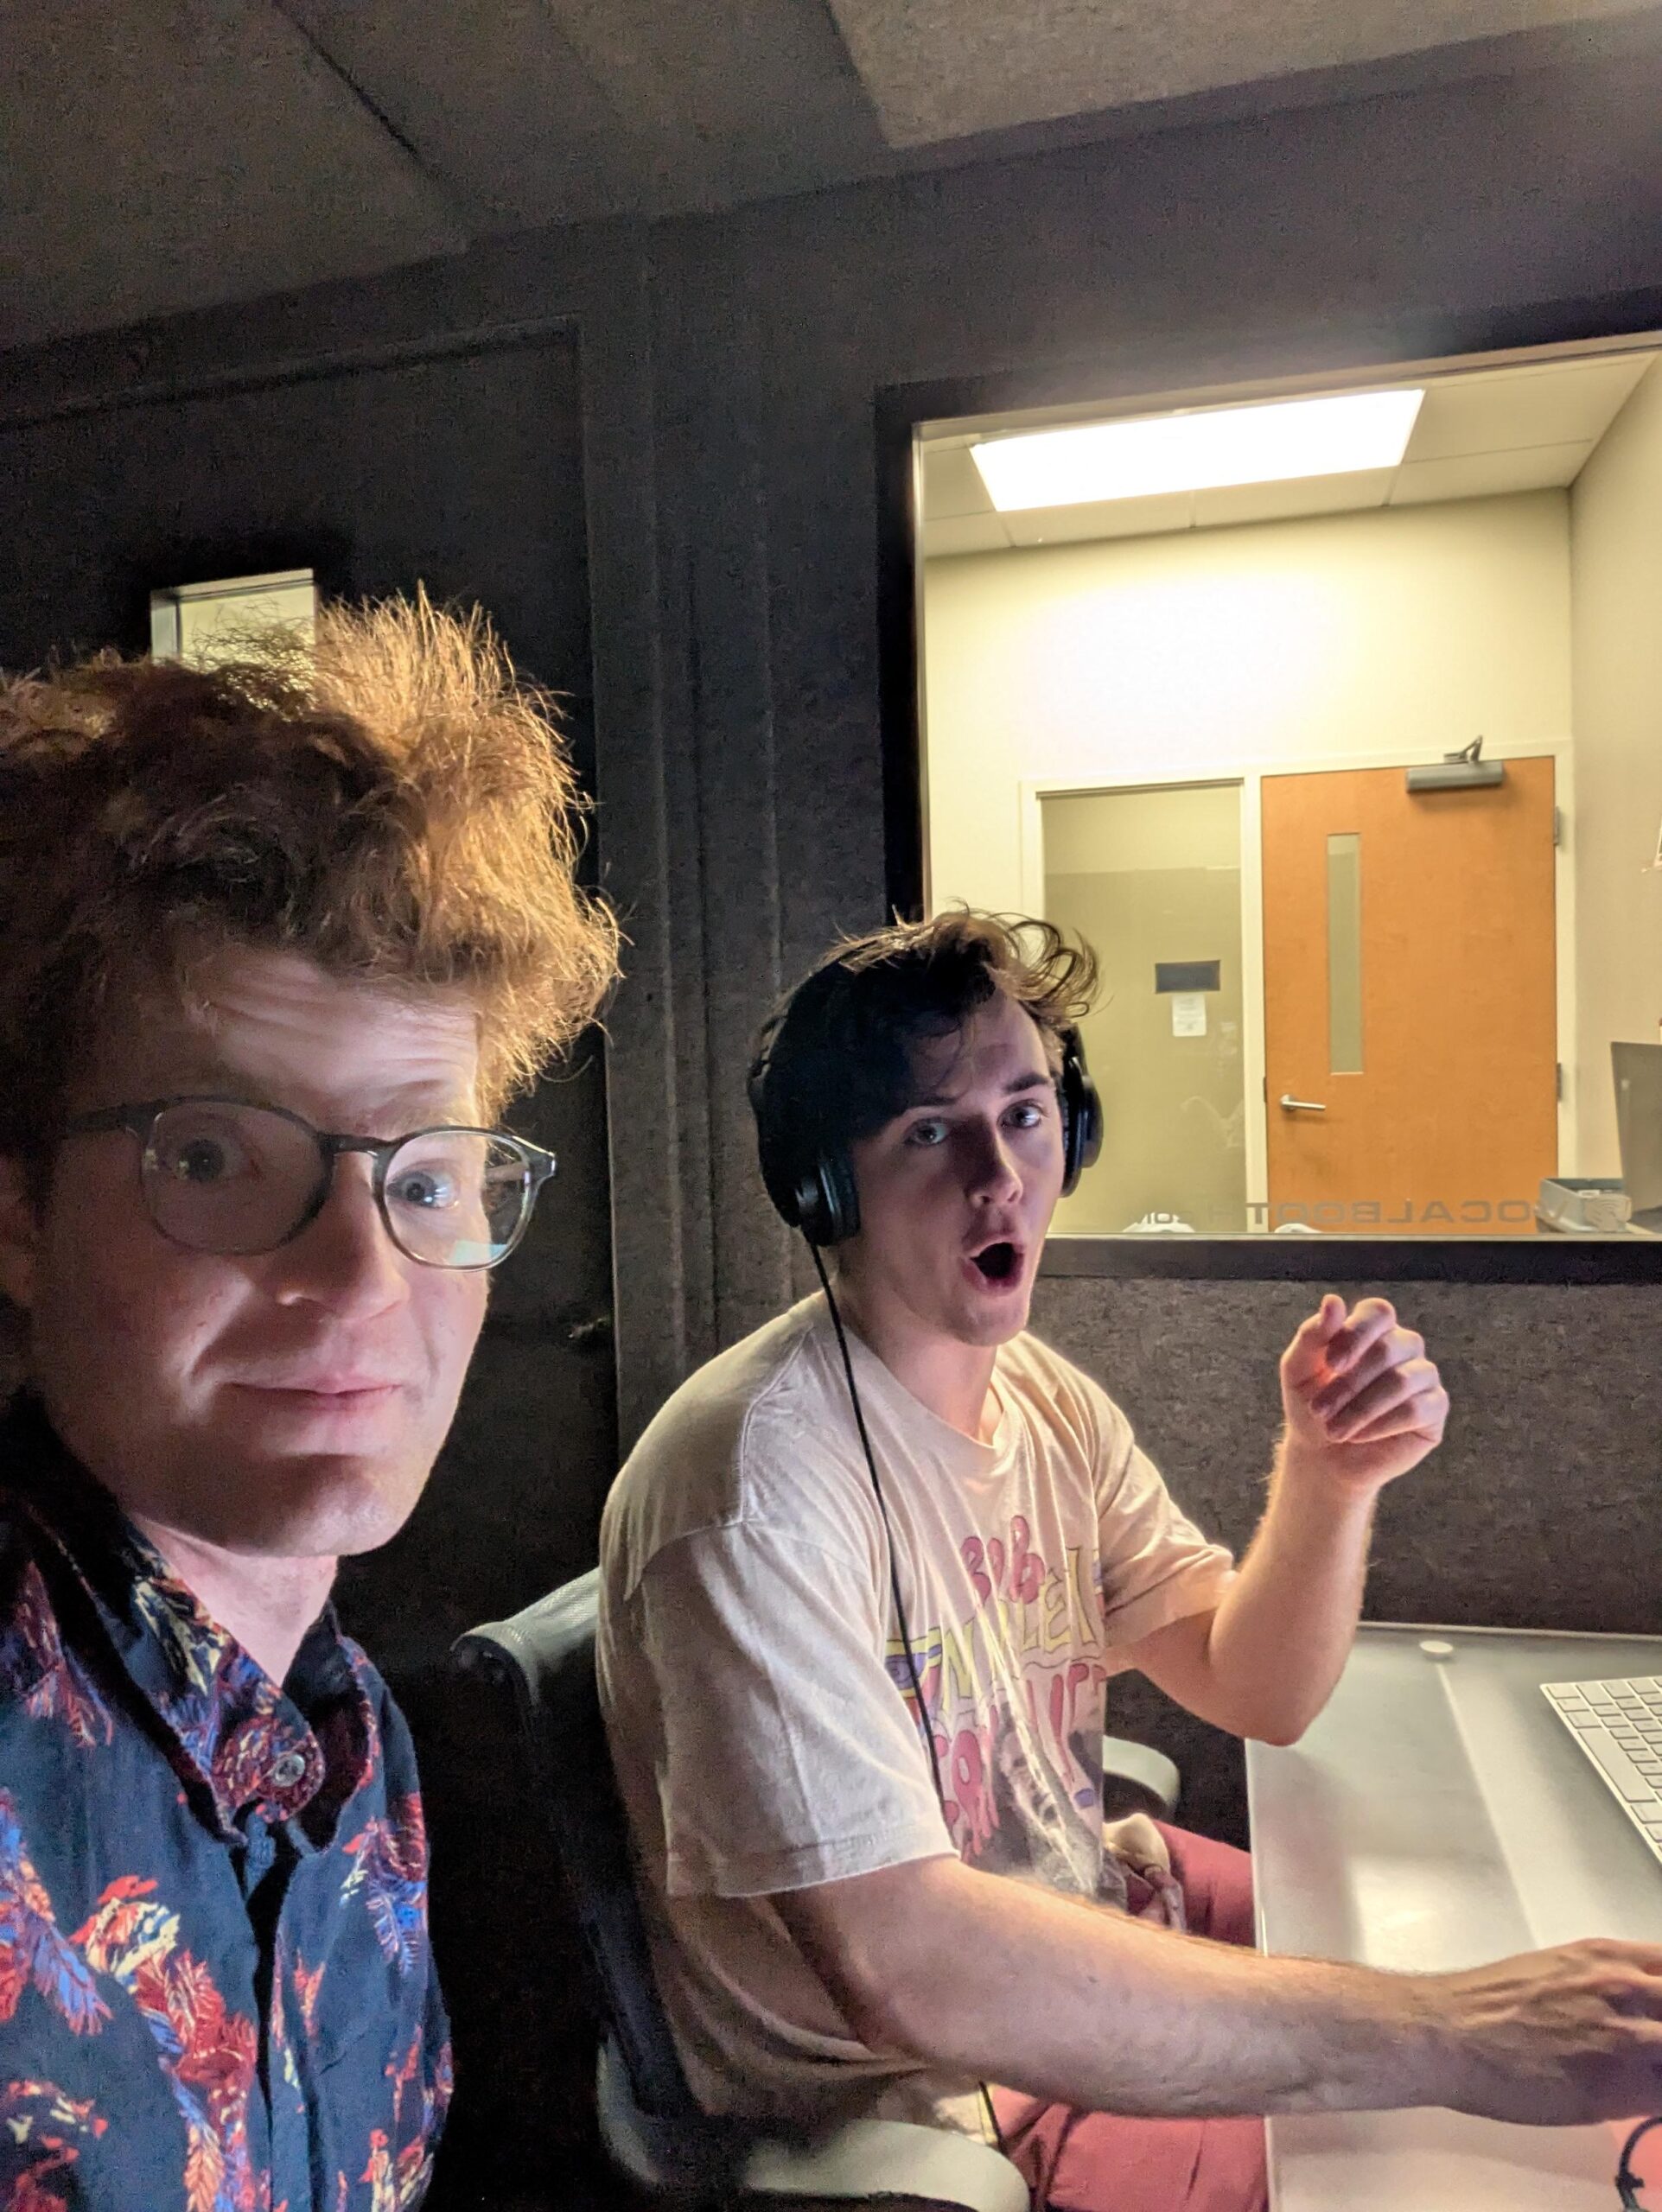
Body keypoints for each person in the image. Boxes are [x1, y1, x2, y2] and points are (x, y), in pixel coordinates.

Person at [598, 910, 1662, 2212]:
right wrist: (1452, 2032)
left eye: (1029, 1113)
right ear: (828, 1185)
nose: (1001, 1174)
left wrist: (1329, 1480)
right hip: (931, 2086)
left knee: (1538, 1985)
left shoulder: (1045, 1403)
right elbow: (912, 1963)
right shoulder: (757, 1488)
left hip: (1089, 1910)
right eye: (931, 1132)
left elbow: (1254, 1687)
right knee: (1493, 2170)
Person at [0, 597, 617, 2212]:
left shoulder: (357, 1749)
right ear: (17, 1216)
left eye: (426, 1177)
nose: (359, 1282)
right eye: (211, 1155)